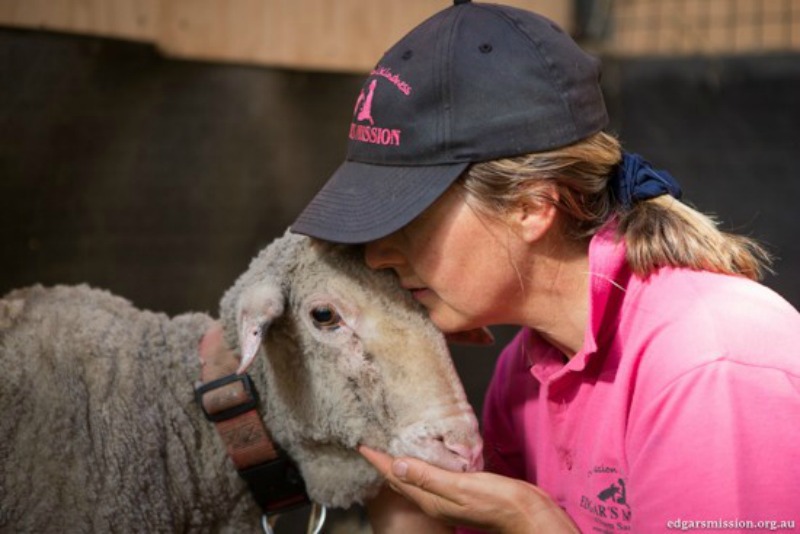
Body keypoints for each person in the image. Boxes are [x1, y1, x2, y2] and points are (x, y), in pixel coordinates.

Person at [211, 1, 800, 532]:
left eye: (408, 218)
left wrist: (533, 521)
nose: (377, 254)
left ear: (531, 205)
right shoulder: (527, 372)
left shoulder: (712, 367)